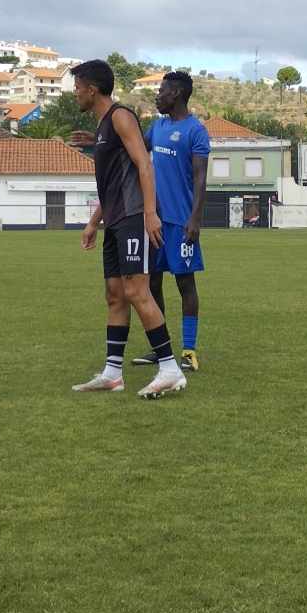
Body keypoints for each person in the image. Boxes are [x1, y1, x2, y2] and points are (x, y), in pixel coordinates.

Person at [67, 59, 187, 399]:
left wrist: (150, 213)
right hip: (116, 221)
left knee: (137, 292)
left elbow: (144, 165)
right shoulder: (104, 127)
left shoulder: (121, 117)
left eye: (77, 87)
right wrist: (93, 223)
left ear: (92, 89)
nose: (75, 93)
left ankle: (169, 368)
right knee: (115, 295)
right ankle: (112, 373)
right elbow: (111, 184)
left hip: (135, 217)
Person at [131, 71, 210, 372]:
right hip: (154, 221)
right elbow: (137, 152)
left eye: (161, 90)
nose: (157, 95)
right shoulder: (158, 127)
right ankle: (160, 348)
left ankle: (188, 351)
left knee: (185, 284)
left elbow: (201, 179)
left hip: (181, 222)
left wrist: (195, 219)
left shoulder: (196, 131)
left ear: (175, 94)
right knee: (152, 283)